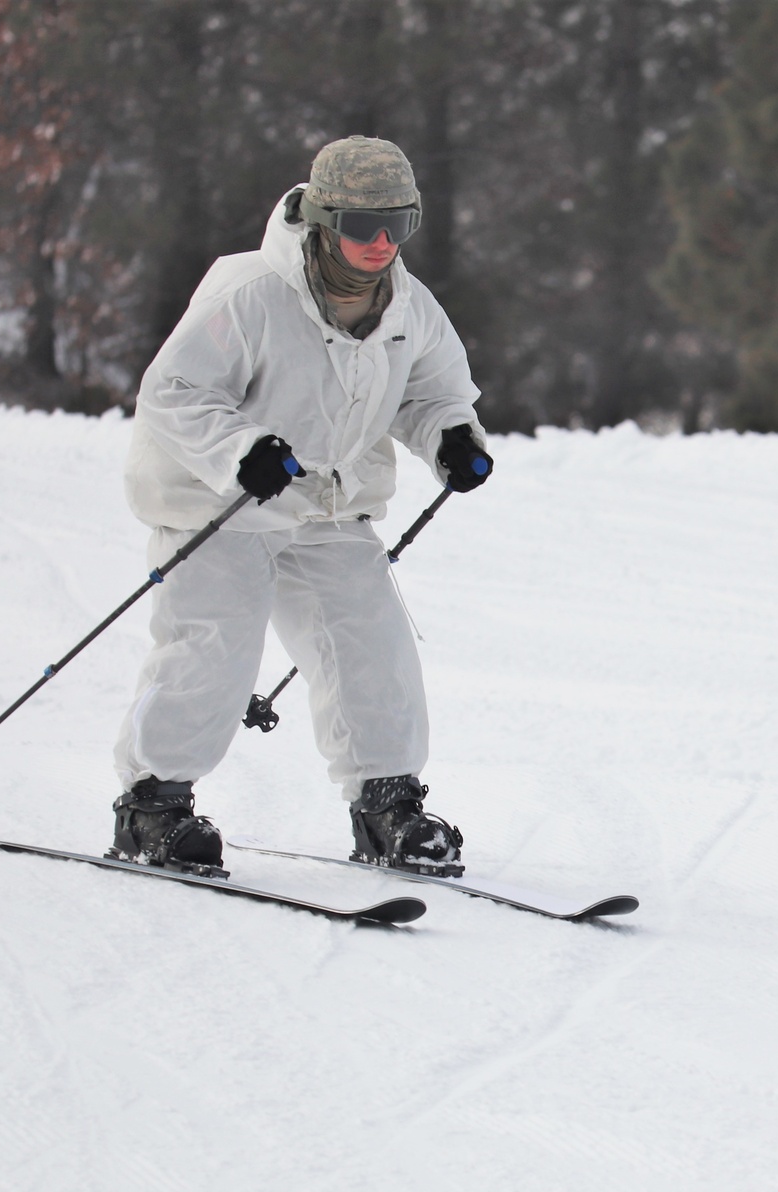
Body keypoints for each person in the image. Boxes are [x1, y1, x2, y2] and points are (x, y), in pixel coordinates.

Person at [111, 135, 493, 877]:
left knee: (372, 646)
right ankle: (152, 805)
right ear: (322, 221)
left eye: (399, 226)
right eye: (360, 226)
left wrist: (451, 438)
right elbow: (173, 392)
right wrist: (239, 450)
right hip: (219, 504)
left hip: (328, 505)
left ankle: (387, 805)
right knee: (214, 648)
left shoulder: (409, 306)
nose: (381, 244)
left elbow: (434, 391)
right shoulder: (249, 295)